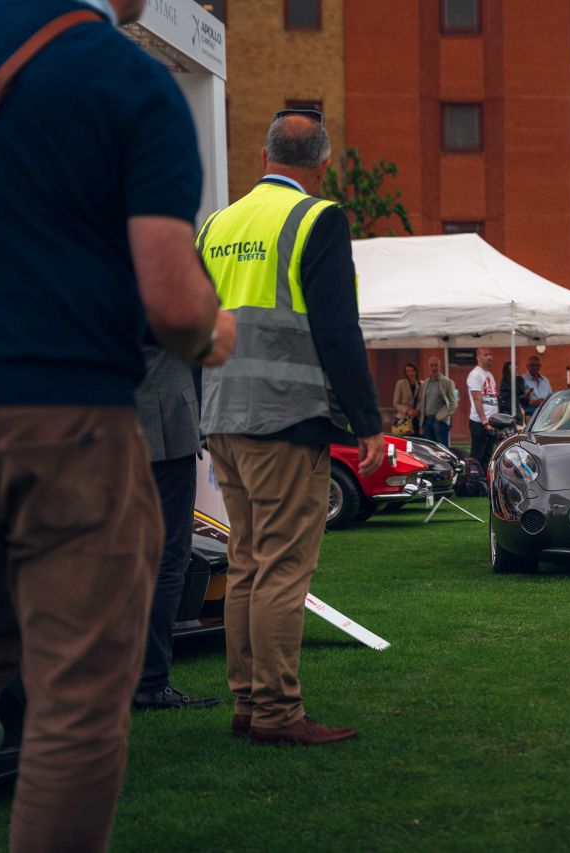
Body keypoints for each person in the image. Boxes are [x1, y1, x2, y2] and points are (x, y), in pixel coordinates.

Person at [0, 1, 235, 845]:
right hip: (62, 422)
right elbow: (171, 301)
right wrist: (213, 325)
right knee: (75, 704)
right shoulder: (127, 82)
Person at [199, 110, 384, 745]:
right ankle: (278, 713)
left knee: (247, 563)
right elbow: (338, 330)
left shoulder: (218, 225)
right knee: (281, 569)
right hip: (284, 417)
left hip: (222, 413)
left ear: (263, 156)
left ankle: (249, 702)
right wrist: (366, 420)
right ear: (324, 165)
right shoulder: (317, 218)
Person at [132, 347, 220, 712]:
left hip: (108, 424)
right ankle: (150, 682)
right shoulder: (162, 289)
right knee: (167, 559)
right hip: (162, 424)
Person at [467, 346, 499, 468]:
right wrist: (485, 421)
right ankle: (474, 482)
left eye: (490, 354)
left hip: (491, 423)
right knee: (477, 457)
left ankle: (485, 482)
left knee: (488, 456)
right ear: (478, 357)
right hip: (480, 423)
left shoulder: (489, 374)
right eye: (486, 355)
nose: (489, 357)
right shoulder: (475, 374)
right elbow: (476, 399)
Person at [416, 356, 457, 448]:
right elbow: (423, 403)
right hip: (427, 422)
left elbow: (453, 403)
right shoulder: (426, 383)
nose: (434, 368)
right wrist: (421, 425)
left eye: (436, 365)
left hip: (440, 422)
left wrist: (442, 416)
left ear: (440, 367)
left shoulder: (447, 382)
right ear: (428, 368)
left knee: (442, 451)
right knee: (429, 451)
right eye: (431, 366)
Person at [393, 362, 419, 432]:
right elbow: (395, 403)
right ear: (405, 373)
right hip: (403, 419)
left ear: (416, 371)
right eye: (408, 371)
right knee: (403, 441)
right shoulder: (400, 383)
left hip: (417, 419)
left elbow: (423, 401)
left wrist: (418, 410)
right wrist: (407, 411)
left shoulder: (421, 384)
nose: (411, 373)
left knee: (416, 441)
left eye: (412, 370)